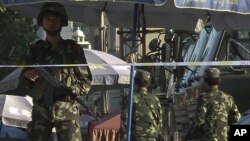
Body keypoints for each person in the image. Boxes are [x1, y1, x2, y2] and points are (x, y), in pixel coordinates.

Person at [21, 2, 92, 141]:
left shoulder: (72, 49)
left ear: (62, 23)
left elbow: (86, 81)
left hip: (66, 109)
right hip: (41, 109)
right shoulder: (34, 49)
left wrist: (71, 90)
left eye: (55, 19)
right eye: (48, 19)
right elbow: (22, 81)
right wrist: (27, 75)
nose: (51, 23)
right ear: (42, 22)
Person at [187, 67, 241, 141]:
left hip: (209, 137)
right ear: (219, 80)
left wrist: (191, 135)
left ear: (205, 81)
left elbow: (199, 119)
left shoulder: (204, 97)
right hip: (224, 137)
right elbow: (237, 117)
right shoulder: (228, 97)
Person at [120, 70, 163, 141]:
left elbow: (125, 120)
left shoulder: (130, 99)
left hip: (136, 137)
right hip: (153, 137)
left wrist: (123, 136)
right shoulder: (155, 99)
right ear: (148, 84)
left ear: (135, 82)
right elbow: (160, 120)